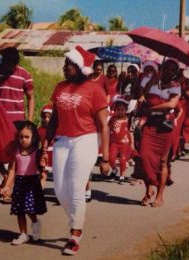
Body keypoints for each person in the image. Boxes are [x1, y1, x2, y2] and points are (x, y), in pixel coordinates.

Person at [40, 46, 109, 255]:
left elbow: (104, 125)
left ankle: (74, 235)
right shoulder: (60, 87)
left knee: (76, 187)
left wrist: (105, 157)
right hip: (62, 141)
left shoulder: (94, 90)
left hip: (85, 140)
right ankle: (76, 220)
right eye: (64, 65)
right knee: (60, 190)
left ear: (79, 67)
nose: (64, 68)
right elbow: (54, 120)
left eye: (68, 65)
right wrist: (45, 146)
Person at [0, 47, 35, 193]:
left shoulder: (24, 74)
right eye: (8, 63)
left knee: (14, 154)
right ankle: (5, 175)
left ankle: (7, 187)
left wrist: (29, 120)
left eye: (13, 64)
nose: (10, 67)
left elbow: (31, 97)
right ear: (3, 60)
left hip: (17, 120)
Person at [139, 58, 180, 208]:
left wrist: (151, 109)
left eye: (172, 70)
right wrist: (152, 80)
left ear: (176, 73)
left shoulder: (176, 86)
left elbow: (171, 104)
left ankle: (159, 195)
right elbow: (142, 92)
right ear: (162, 68)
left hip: (165, 128)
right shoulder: (152, 81)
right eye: (167, 68)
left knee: (163, 161)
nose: (169, 71)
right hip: (150, 125)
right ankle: (148, 189)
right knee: (144, 158)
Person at [1, 121, 47, 245]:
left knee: (30, 209)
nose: (23, 140)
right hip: (20, 183)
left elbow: (43, 170)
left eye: (27, 137)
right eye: (21, 137)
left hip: (32, 183)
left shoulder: (36, 153)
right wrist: (7, 185)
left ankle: (35, 223)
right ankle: (23, 234)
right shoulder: (16, 152)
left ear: (33, 138)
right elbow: (12, 170)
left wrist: (43, 173)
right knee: (20, 210)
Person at [108, 97, 134, 184]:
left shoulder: (128, 120)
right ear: (115, 110)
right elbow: (108, 130)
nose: (120, 111)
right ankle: (114, 169)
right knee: (111, 158)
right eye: (118, 109)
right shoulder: (112, 119)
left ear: (126, 110)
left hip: (124, 144)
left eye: (122, 109)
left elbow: (130, 133)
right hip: (114, 143)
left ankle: (122, 175)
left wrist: (132, 144)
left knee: (123, 160)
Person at [37, 104, 54, 188]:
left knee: (59, 176)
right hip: (44, 154)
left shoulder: (57, 130)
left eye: (49, 117)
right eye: (45, 117)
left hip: (54, 155)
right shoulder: (40, 129)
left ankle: (60, 194)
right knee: (43, 175)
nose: (47, 119)